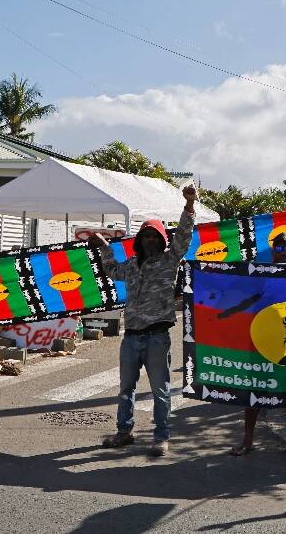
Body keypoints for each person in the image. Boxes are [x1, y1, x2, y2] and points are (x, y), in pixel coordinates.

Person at [89, 185, 197, 457]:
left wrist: (189, 205)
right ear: (139, 240)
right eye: (145, 236)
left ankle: (161, 437)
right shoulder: (132, 265)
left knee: (160, 391)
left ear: (161, 240)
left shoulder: (169, 260)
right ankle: (124, 432)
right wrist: (104, 247)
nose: (149, 240)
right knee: (126, 388)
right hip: (131, 337)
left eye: (154, 236)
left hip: (157, 337)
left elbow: (183, 238)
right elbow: (112, 271)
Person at [229, 232, 286, 458]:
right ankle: (248, 441)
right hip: (262, 342)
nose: (283, 253)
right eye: (279, 249)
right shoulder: (260, 275)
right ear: (273, 252)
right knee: (255, 391)